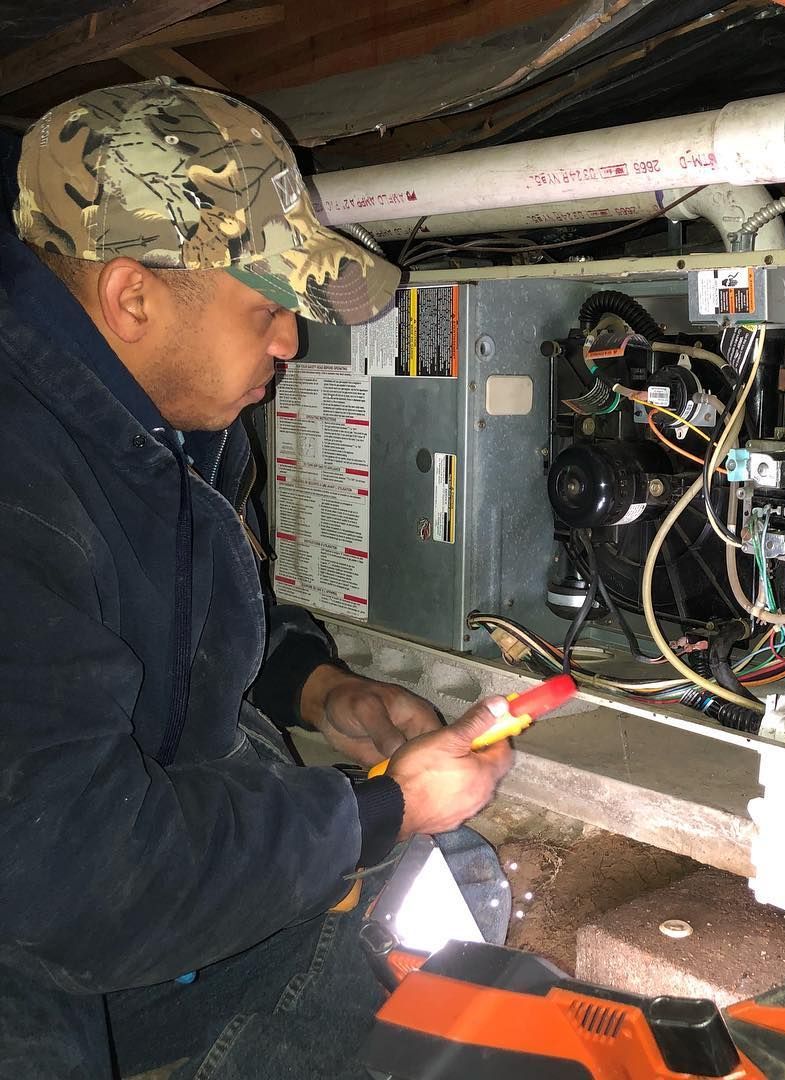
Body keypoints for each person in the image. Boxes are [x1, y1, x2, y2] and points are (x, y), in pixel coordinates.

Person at [0, 78, 512, 1078]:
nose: (292, 340)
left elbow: (174, 610)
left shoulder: (157, 420)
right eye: (267, 306)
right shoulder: (20, 487)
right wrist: (382, 810)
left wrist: (321, 689)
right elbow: (72, 879)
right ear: (132, 295)